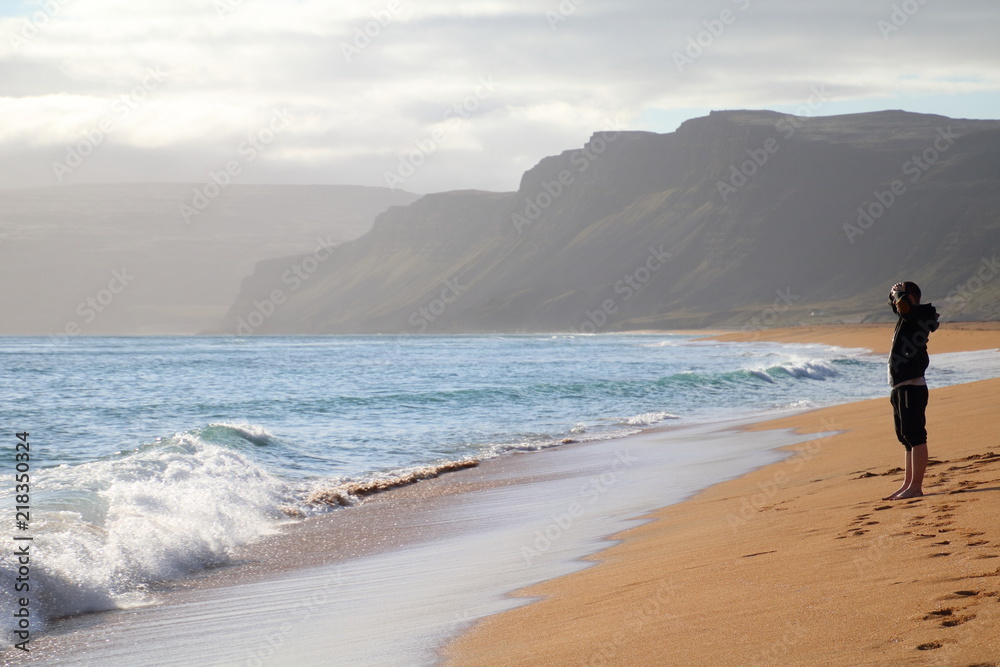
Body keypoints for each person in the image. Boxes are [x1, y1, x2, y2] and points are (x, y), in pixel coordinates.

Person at [883, 281, 939, 500]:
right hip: (899, 386)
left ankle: (916, 486)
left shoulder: (920, 317)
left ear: (911, 297)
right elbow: (899, 307)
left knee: (915, 435)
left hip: (912, 385)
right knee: (905, 437)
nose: (897, 300)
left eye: (900, 296)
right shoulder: (907, 317)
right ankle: (908, 484)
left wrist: (902, 295)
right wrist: (894, 294)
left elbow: (906, 309)